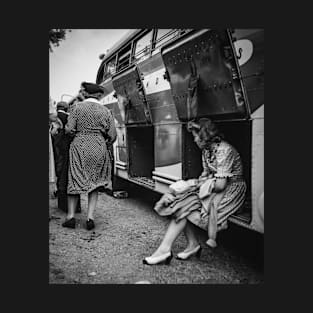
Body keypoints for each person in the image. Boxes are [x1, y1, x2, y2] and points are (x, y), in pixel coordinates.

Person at [143, 118, 246, 265]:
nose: (194, 139)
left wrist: (194, 185)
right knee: (183, 202)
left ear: (204, 136)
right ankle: (183, 247)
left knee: (186, 208)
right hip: (213, 185)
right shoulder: (206, 150)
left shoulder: (224, 150)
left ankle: (172, 249)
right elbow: (205, 175)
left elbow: (220, 185)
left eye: (196, 136)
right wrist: (193, 186)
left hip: (231, 189)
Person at [62, 82, 117, 230]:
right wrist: (102, 140)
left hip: (79, 145)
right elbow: (112, 136)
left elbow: (68, 129)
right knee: (94, 183)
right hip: (98, 146)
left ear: (85, 93)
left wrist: (75, 133)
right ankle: (90, 218)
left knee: (74, 180)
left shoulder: (76, 108)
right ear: (97, 95)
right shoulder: (106, 111)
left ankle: (71, 217)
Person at [52, 101, 81, 213]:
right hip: (70, 151)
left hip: (57, 151)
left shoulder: (54, 118)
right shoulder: (70, 118)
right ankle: (75, 207)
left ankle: (62, 205)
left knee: (61, 177)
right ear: (66, 108)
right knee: (72, 177)